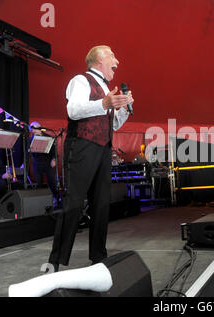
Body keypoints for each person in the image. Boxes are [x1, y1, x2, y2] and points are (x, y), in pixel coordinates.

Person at [48, 45, 133, 272]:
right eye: (112, 56)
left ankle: (98, 257)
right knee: (74, 202)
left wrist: (122, 108)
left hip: (103, 148)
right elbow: (74, 111)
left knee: (101, 204)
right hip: (82, 146)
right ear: (98, 61)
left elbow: (112, 123)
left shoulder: (107, 87)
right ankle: (55, 261)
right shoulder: (81, 80)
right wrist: (105, 103)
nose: (117, 61)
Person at [29, 121, 60, 206]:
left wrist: (54, 159)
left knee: (52, 181)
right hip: (37, 162)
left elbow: (54, 150)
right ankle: (41, 202)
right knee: (39, 183)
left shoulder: (48, 137)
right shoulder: (30, 139)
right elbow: (28, 152)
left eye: (35, 128)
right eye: (32, 129)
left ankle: (56, 198)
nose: (33, 130)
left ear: (39, 128)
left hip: (48, 162)